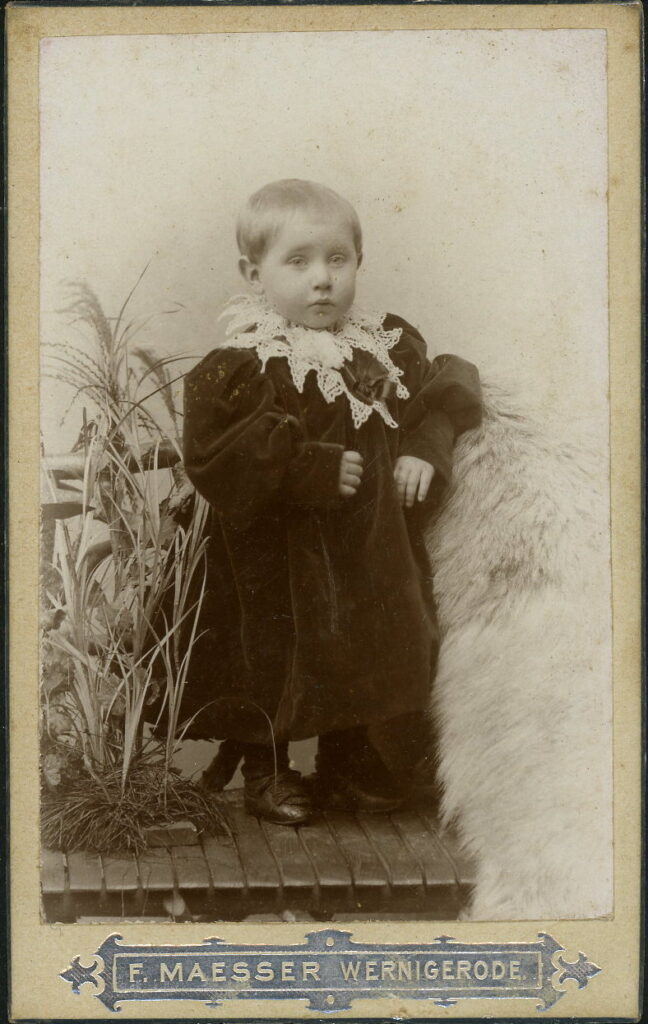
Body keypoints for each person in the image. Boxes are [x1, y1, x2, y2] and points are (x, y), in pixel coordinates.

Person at [182, 179, 482, 825]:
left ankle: (349, 763)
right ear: (253, 273)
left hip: (366, 544)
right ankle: (265, 768)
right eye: (298, 262)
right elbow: (213, 455)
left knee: (370, 641)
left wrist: (421, 449)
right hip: (275, 553)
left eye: (337, 260)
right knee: (272, 651)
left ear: (356, 263)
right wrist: (308, 469)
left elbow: (442, 395)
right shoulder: (245, 362)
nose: (322, 280)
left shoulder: (383, 346)